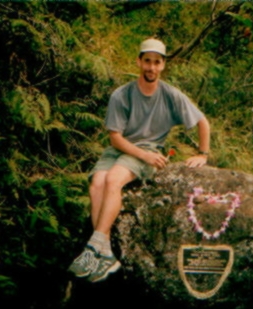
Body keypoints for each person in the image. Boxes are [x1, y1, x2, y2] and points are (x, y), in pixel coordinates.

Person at [68, 38, 210, 283]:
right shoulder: (122, 95)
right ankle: (105, 254)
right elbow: (115, 138)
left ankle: (93, 249)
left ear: (163, 65)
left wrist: (203, 154)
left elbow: (202, 121)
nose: (151, 68)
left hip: (149, 149)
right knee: (97, 183)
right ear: (138, 62)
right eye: (147, 61)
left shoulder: (171, 95)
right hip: (121, 149)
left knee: (113, 179)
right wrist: (140, 154)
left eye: (157, 62)